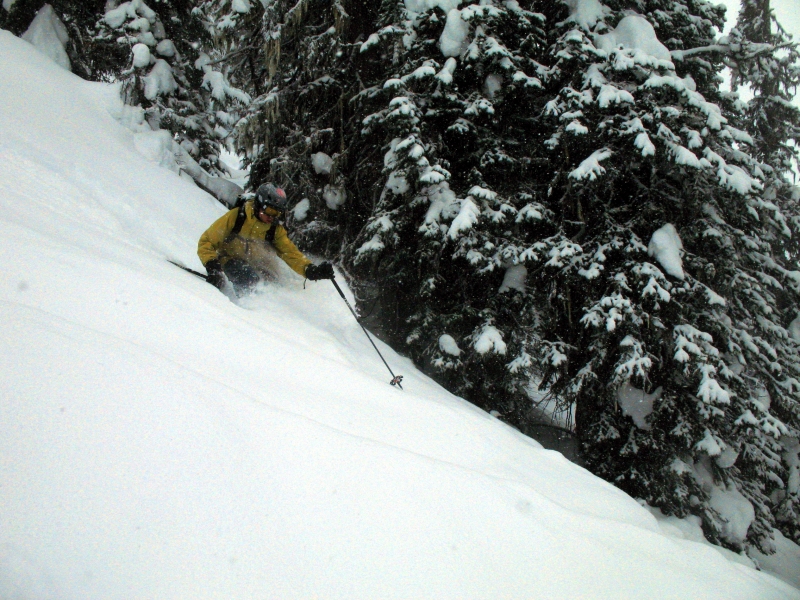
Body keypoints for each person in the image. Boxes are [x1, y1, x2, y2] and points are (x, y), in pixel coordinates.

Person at [198, 183, 334, 295]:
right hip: (230, 260)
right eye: (270, 211)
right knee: (250, 280)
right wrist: (213, 268)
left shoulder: (274, 230)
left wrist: (310, 270)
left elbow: (290, 253)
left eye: (277, 213)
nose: (272, 217)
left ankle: (276, 318)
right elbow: (207, 241)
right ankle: (248, 313)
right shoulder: (238, 217)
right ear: (259, 205)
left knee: (275, 288)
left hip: (257, 264)